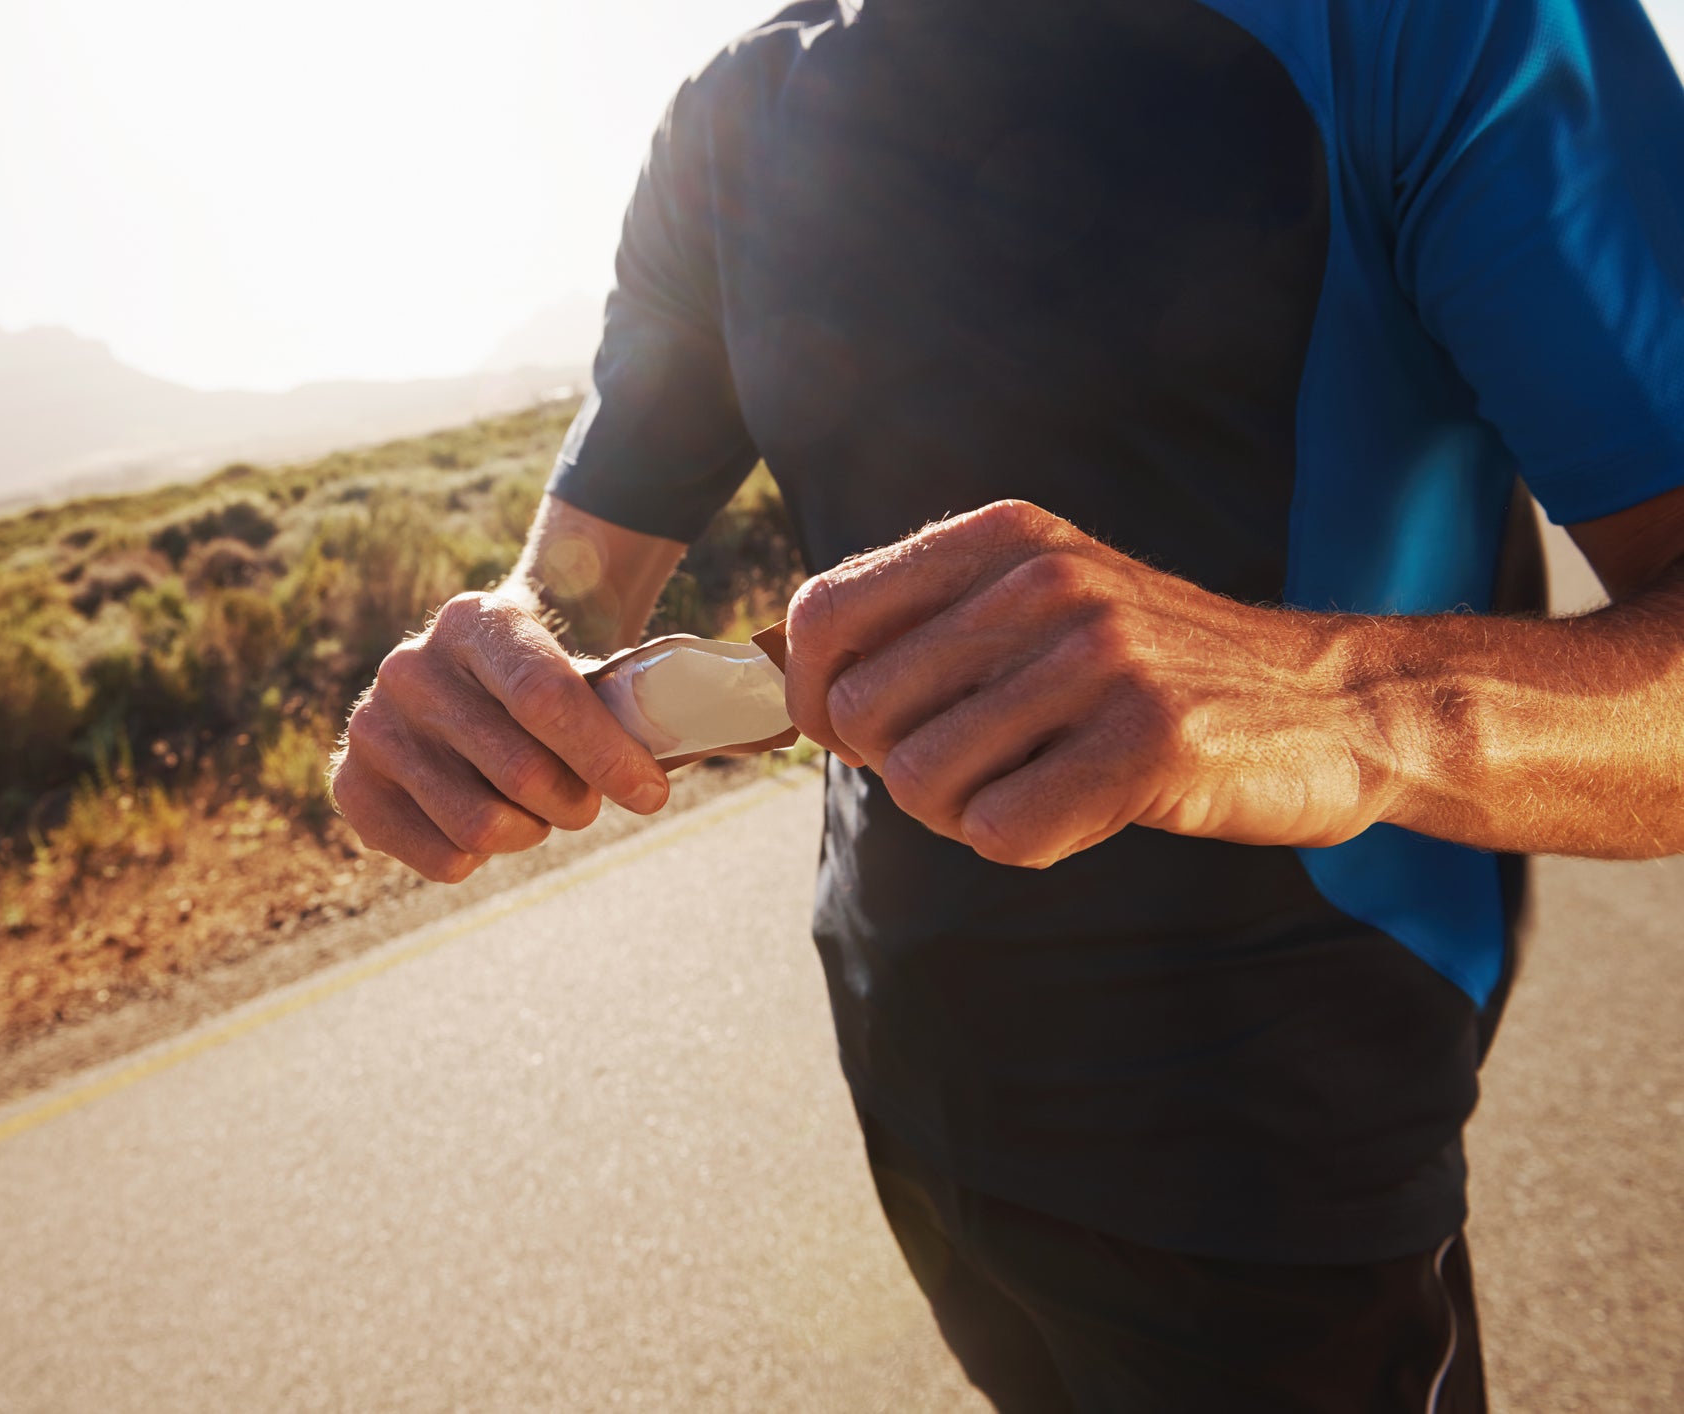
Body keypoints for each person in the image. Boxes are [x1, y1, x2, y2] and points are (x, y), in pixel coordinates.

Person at [329, 1, 1684, 1407]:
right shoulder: (731, 119)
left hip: (1271, 1144)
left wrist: (1337, 705)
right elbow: (575, 588)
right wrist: (496, 671)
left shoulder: (1435, 24)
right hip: (912, 1085)